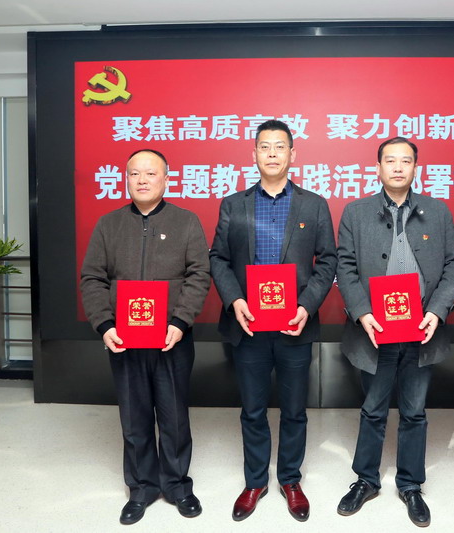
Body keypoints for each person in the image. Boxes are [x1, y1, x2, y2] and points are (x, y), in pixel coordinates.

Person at [209, 119, 337, 522]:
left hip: (294, 324)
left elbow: (328, 261)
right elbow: (218, 258)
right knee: (252, 408)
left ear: (292, 154)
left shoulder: (313, 204)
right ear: (254, 154)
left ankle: (290, 480)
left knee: (295, 409)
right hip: (248, 324)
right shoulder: (234, 204)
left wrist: (306, 306)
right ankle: (255, 481)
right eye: (264, 147)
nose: (272, 154)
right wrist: (235, 300)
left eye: (280, 147)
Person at [335, 137, 454, 528]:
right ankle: (366, 480)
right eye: (390, 160)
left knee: (414, 411)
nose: (397, 167)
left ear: (415, 168)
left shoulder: (437, 212)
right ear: (378, 167)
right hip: (375, 331)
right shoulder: (356, 213)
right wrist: (362, 314)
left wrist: (437, 311)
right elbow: (345, 268)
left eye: (405, 161)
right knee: (373, 408)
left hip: (421, 330)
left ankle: (410, 485)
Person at [80, 149, 211, 525]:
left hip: (172, 338)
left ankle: (177, 485)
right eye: (134, 173)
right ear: (126, 179)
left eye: (150, 173)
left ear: (166, 179)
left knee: (174, 416)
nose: (142, 180)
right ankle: (141, 488)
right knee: (134, 417)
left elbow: (199, 274)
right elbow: (92, 278)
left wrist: (180, 321)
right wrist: (105, 325)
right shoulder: (109, 224)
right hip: (124, 339)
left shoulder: (186, 221)